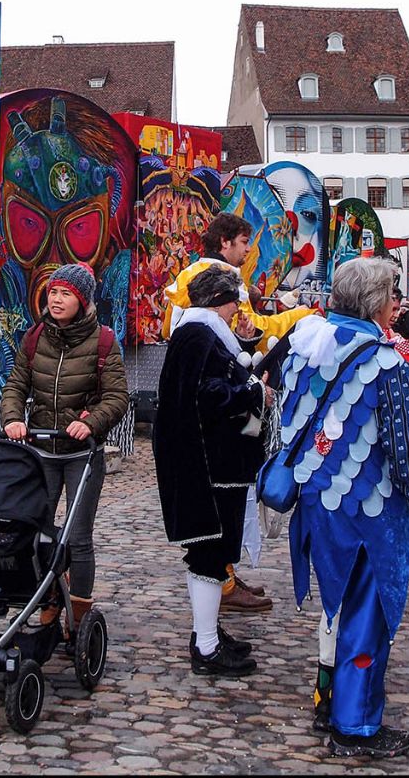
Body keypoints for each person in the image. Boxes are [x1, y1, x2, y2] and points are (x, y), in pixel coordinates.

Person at [279, 258, 409, 759]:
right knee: (366, 616)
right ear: (377, 303)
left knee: (338, 610)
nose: (398, 304)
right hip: (371, 511)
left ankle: (331, 701)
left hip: (319, 504)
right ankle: (355, 726)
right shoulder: (389, 364)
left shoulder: (304, 350)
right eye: (393, 295)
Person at [163, 212, 314, 611]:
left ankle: (223, 574)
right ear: (227, 242)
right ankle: (222, 580)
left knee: (222, 508)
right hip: (226, 416)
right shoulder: (223, 281)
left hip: (214, 406)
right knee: (227, 502)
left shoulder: (188, 276)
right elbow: (254, 328)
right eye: (245, 243)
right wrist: (299, 318)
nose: (248, 252)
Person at [153, 267, 274, 677]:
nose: (235, 313)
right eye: (233, 305)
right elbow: (208, 396)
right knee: (209, 553)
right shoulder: (198, 335)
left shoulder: (201, 334)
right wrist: (254, 391)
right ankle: (205, 646)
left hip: (217, 465)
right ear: (220, 302)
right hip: (207, 467)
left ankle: (208, 635)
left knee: (213, 553)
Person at [0, 263, 129, 633]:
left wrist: (89, 422)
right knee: (38, 530)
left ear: (82, 300)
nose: (56, 299)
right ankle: (45, 600)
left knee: (78, 536)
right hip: (40, 449)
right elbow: (15, 385)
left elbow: (117, 396)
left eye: (65, 294)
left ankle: (80, 610)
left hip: (80, 455)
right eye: (53, 292)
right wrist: (12, 417)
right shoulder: (35, 337)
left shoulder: (104, 341)